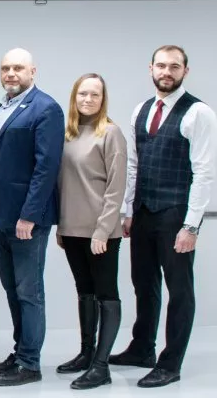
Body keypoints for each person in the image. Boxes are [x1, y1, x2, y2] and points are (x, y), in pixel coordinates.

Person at [110, 45, 217, 388]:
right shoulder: (141, 109)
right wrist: (129, 210)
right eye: (161, 66)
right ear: (151, 69)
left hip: (175, 214)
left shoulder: (199, 112)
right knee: (143, 283)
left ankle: (170, 364)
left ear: (185, 71)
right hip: (143, 212)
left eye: (174, 66)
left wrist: (191, 225)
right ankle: (142, 348)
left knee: (179, 290)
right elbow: (134, 164)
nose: (166, 72)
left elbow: (204, 173)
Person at [0, 48, 64, 386]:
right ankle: (20, 351)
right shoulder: (3, 107)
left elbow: (46, 167)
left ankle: (30, 363)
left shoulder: (46, 108)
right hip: (0, 218)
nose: (10, 73)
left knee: (29, 292)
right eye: (5, 68)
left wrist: (29, 216)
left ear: (32, 71)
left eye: (18, 68)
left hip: (25, 221)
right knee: (13, 290)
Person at [55, 73, 127, 390]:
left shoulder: (111, 133)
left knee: (106, 294)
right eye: (82, 93)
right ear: (75, 97)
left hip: (101, 233)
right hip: (72, 230)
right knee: (84, 291)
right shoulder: (68, 134)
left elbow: (116, 187)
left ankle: (101, 366)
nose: (88, 99)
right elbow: (62, 184)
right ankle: (86, 353)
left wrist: (103, 230)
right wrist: (62, 226)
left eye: (94, 94)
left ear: (102, 99)